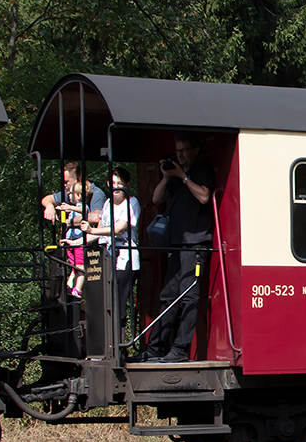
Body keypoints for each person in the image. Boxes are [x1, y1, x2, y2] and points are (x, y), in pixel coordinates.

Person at [147, 134, 214, 363]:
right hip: (176, 244)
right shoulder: (176, 175)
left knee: (189, 295)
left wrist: (183, 177)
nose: (180, 155)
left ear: (195, 150)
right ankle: (155, 349)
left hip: (195, 244)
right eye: (177, 151)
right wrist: (167, 177)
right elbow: (156, 198)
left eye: (184, 150)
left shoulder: (201, 169)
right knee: (168, 296)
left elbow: (204, 196)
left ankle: (181, 350)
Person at [86, 169, 142, 325]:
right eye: (113, 184)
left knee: (119, 303)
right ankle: (110, 341)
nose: (116, 188)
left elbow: (119, 228)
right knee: (107, 300)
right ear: (108, 184)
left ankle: (119, 344)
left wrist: (92, 230)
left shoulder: (132, 203)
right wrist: (77, 242)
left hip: (125, 258)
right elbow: (101, 232)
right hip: (108, 257)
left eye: (120, 184)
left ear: (127, 185)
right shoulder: (107, 203)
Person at [42, 162, 107, 226]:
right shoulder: (71, 193)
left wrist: (70, 222)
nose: (64, 185)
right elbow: (48, 199)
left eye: (66, 182)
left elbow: (96, 218)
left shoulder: (97, 193)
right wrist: (49, 206)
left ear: (78, 179)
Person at [58, 182, 88, 297]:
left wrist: (69, 207)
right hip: (71, 241)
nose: (69, 196)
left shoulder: (82, 207)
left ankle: (78, 289)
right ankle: (72, 285)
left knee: (80, 266)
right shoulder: (74, 209)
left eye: (71, 194)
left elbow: (85, 211)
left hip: (79, 241)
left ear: (79, 195)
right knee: (74, 266)